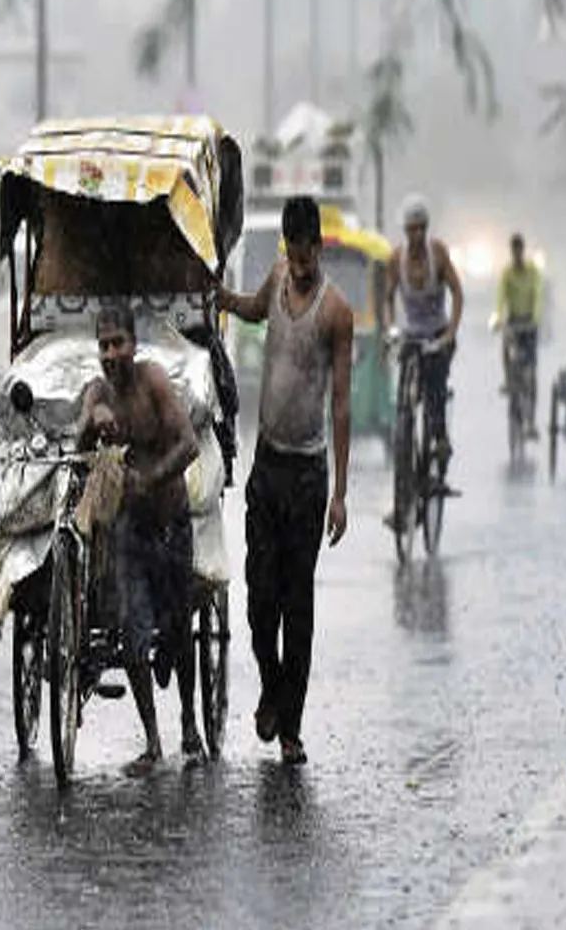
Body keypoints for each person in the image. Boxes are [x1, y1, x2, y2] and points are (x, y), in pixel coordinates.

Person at [215, 195, 353, 766]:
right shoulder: (275, 278)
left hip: (308, 475)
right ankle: (271, 688)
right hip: (267, 465)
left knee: (298, 605)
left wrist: (340, 494)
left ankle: (290, 728)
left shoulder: (336, 312)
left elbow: (341, 404)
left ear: (318, 247)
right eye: (291, 256)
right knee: (259, 599)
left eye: (305, 257)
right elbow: (253, 310)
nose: (297, 267)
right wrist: (222, 298)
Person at [76, 304, 202, 773]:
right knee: (131, 635)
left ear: (134, 345)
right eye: (103, 345)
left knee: (179, 630)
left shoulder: (154, 383)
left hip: (171, 523)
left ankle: (189, 722)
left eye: (118, 343)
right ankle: (152, 741)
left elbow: (188, 444)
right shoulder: (98, 391)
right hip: (129, 529)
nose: (111, 353)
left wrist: (150, 479)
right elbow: (78, 447)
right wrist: (92, 421)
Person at [383, 194, 464, 462]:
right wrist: (391, 328)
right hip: (412, 334)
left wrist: (451, 332)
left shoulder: (438, 253)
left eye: (421, 228)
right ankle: (403, 433)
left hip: (438, 333)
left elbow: (457, 292)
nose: (417, 234)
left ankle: (440, 437)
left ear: (426, 228)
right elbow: (387, 298)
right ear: (405, 231)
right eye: (412, 229)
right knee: (404, 388)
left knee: (435, 383)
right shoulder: (397, 259)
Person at [492, 233, 543, 436]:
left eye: (519, 250)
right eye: (514, 251)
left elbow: (538, 295)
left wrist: (536, 318)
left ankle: (531, 421)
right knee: (506, 345)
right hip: (513, 321)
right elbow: (500, 296)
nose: (517, 254)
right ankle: (508, 379)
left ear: (523, 250)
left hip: (529, 322)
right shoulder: (507, 273)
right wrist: (498, 318)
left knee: (531, 373)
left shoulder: (532, 271)